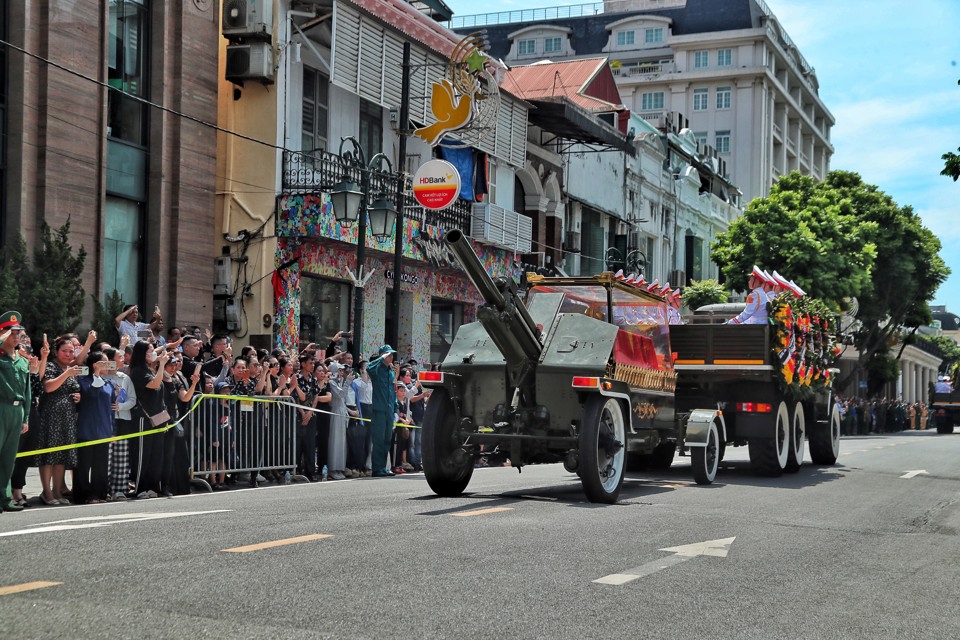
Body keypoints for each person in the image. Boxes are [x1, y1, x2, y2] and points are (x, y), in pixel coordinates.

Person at [37, 335, 83, 505]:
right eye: (65, 351)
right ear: (56, 352)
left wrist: (78, 396)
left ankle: (57, 491)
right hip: (51, 415)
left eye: (71, 351)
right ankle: (47, 492)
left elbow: (74, 388)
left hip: (68, 417)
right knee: (49, 454)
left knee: (62, 456)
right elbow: (48, 387)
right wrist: (67, 374)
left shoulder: (71, 369)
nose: (69, 354)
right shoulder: (50, 366)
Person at [129, 340, 171, 498]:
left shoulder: (150, 370)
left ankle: (153, 486)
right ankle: (140, 488)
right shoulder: (138, 371)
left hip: (158, 418)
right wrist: (161, 365)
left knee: (156, 454)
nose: (153, 353)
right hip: (143, 418)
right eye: (150, 351)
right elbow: (154, 385)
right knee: (143, 454)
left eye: (154, 350)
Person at [0, 311, 32, 513]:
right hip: (1, 407)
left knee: (8, 458)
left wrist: (26, 416)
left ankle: (4, 498)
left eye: (18, 332)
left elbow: (27, 391)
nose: (16, 336)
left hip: (17, 410)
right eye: (11, 332)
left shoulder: (22, 361)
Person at [74, 351, 116, 504]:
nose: (107, 364)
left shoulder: (108, 384)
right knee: (84, 465)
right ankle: (83, 495)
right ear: (94, 364)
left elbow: (112, 410)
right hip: (87, 428)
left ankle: (99, 493)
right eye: (103, 362)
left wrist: (113, 431)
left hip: (104, 430)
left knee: (101, 465)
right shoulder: (83, 381)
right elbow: (91, 393)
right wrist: (96, 373)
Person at [103, 347, 137, 501]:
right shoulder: (102, 377)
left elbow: (132, 399)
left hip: (123, 420)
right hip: (105, 420)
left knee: (122, 456)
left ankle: (120, 489)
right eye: (119, 357)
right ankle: (104, 488)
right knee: (106, 456)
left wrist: (121, 407)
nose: (122, 359)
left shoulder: (125, 377)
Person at [367, 344, 399, 477]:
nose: (391, 357)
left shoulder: (390, 372)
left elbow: (393, 391)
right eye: (388, 354)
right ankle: (377, 468)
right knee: (379, 439)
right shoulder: (377, 369)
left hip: (389, 409)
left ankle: (383, 467)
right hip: (379, 409)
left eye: (391, 354)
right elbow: (368, 367)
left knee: (387, 439)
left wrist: (396, 408)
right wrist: (381, 358)